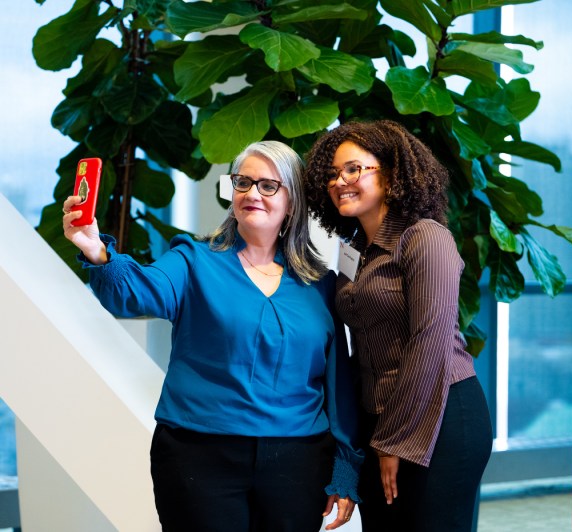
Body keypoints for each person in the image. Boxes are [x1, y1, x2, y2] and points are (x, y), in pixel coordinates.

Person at [62, 141, 362, 531]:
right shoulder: (192, 260)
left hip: (298, 463)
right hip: (198, 458)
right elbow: (134, 293)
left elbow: (338, 383)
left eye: (268, 186)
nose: (252, 193)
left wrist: (346, 466)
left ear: (292, 202)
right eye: (243, 182)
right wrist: (95, 249)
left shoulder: (320, 283)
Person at [304, 120, 493, 532]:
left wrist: (395, 439)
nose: (340, 181)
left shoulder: (426, 237)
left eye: (354, 170)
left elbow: (431, 340)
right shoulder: (356, 251)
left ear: (390, 175)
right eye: (333, 174)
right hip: (381, 420)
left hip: (440, 415)